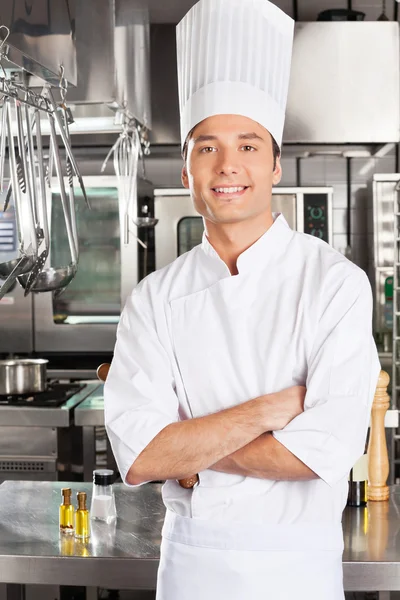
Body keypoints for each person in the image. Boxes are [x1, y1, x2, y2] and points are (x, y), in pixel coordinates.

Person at [104, 1, 381, 598]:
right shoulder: (154, 299)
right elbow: (141, 456)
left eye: (249, 145)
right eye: (207, 147)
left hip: (299, 571)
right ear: (186, 170)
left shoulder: (335, 285)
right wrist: (266, 411)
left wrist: (188, 449)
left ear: (276, 164)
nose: (228, 165)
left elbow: (324, 453)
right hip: (190, 569)